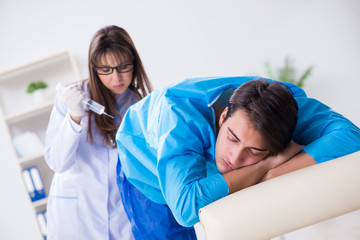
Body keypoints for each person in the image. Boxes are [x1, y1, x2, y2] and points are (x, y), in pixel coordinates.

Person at [116, 76, 360, 233]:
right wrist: (262, 167)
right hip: (142, 163)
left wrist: (277, 172)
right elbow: (185, 209)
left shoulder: (286, 109)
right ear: (223, 117)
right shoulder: (178, 119)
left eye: (254, 151)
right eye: (232, 138)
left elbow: (351, 136)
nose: (234, 157)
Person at [44, 25, 152, 239]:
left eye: (123, 67)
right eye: (106, 69)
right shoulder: (72, 99)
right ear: (94, 69)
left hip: (121, 215)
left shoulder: (141, 105)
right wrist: (74, 118)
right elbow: (57, 163)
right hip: (77, 216)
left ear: (134, 63)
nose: (116, 78)